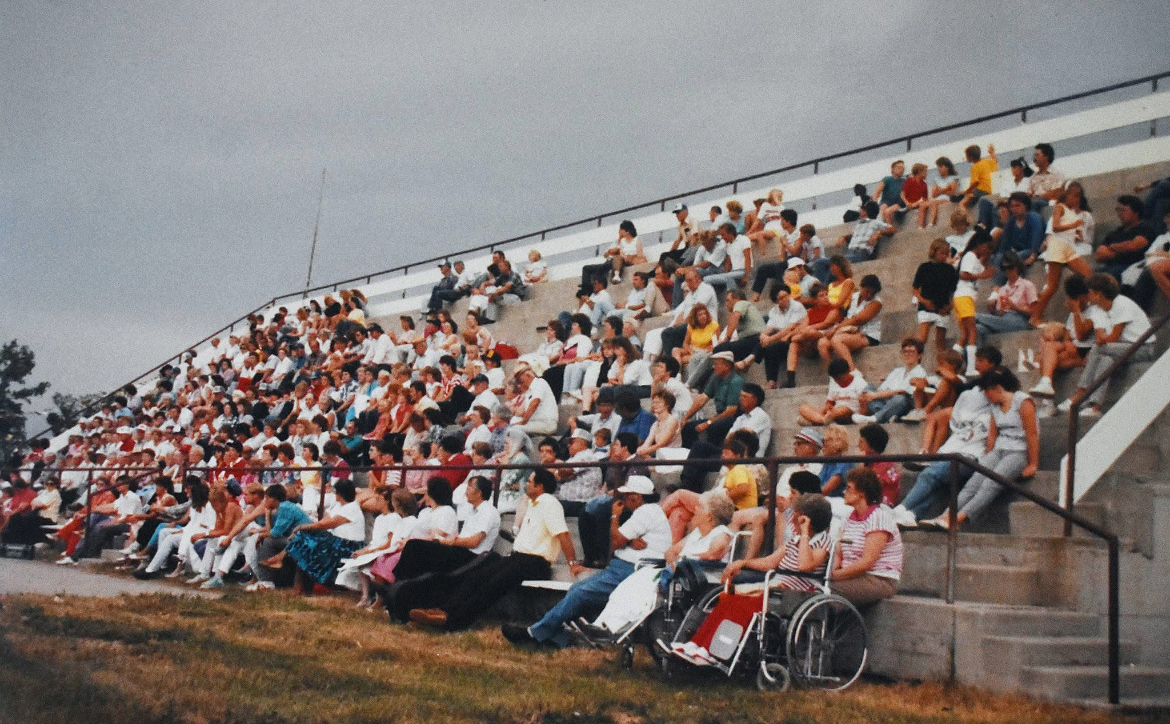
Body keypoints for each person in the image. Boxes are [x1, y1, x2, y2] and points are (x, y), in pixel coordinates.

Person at [395, 468, 578, 630]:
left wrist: (572, 562)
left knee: (493, 584)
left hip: (535, 562)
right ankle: (442, 611)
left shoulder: (549, 502)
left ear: (540, 487)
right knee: (476, 576)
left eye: (530, 481)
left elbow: (563, 534)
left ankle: (454, 621)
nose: (526, 484)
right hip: (519, 557)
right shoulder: (533, 503)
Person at [501, 475, 671, 649]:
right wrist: (628, 540)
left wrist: (615, 517)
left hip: (630, 571)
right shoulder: (648, 512)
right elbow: (618, 543)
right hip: (624, 567)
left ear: (637, 496)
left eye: (627, 495)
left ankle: (535, 633)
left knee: (579, 593)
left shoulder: (646, 512)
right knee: (577, 589)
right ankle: (558, 638)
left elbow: (616, 542)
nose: (624, 499)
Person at [921, 368, 1039, 530]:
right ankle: (946, 515)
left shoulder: (1023, 401)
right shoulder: (995, 407)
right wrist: (987, 459)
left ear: (998, 388)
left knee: (990, 484)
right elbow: (992, 435)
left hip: (1018, 451)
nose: (985, 395)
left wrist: (1032, 464)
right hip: (1000, 449)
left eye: (987, 391)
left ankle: (957, 519)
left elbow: (1032, 434)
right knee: (974, 483)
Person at [892, 382, 992, 528]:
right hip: (953, 453)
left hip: (971, 457)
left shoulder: (997, 414)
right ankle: (912, 514)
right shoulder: (960, 411)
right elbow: (935, 417)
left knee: (930, 474)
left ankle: (902, 508)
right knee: (940, 483)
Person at [1056, 273, 1154, 417]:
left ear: (1099, 294)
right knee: (1105, 359)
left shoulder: (1122, 303)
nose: (1087, 295)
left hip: (1142, 347)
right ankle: (1094, 406)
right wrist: (1101, 340)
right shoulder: (1099, 310)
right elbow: (1100, 337)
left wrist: (1101, 341)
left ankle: (1081, 392)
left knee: (1098, 349)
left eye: (1090, 292)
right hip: (1121, 348)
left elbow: (1112, 337)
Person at [830, 468, 903, 606]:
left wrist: (833, 576)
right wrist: (831, 571)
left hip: (879, 578)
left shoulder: (879, 518)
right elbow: (839, 553)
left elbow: (866, 562)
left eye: (849, 488)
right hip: (851, 575)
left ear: (862, 493)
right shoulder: (848, 518)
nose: (844, 492)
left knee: (827, 589)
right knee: (812, 586)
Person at [278, 478, 366, 592]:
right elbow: (326, 519)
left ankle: (297, 584)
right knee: (302, 539)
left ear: (339, 494)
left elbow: (326, 524)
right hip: (336, 541)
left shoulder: (351, 508)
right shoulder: (339, 505)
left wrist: (301, 527)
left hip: (346, 547)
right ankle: (299, 585)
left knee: (303, 540)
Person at [662, 438, 758, 541]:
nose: (723, 456)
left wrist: (722, 497)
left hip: (730, 509)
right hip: (721, 506)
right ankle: (671, 549)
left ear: (738, 456)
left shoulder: (739, 469)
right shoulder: (730, 472)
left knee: (680, 494)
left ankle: (654, 518)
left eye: (726, 453)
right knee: (679, 513)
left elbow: (743, 488)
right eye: (723, 453)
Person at [1027, 275, 1105, 401]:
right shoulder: (1072, 314)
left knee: (1045, 358)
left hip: (1084, 352)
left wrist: (1075, 311)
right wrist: (1066, 343)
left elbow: (1081, 335)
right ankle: (1046, 385)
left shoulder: (1095, 311)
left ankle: (1048, 402)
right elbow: (1069, 337)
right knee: (1047, 350)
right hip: (1072, 349)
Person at [1032, 182, 1094, 324]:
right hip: (1057, 247)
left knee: (1089, 275)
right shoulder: (1059, 207)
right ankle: (1035, 317)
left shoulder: (1072, 211)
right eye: (1075, 196)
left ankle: (1087, 304)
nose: (1078, 199)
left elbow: (1071, 231)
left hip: (1069, 247)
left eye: (1079, 196)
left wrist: (1076, 232)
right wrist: (1073, 226)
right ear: (1067, 195)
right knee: (1052, 286)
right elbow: (1055, 227)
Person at [736, 286, 807, 389]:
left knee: (770, 345)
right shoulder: (774, 311)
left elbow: (790, 328)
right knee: (767, 345)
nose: (785, 299)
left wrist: (770, 339)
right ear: (776, 301)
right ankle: (771, 381)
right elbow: (770, 327)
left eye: (786, 296)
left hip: (794, 338)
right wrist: (763, 335)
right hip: (781, 339)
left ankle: (750, 359)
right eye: (781, 298)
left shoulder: (796, 306)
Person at [816, 274, 883, 370]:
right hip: (850, 331)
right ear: (862, 287)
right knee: (822, 343)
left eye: (871, 293)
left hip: (868, 335)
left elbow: (858, 320)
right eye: (867, 291)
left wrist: (836, 328)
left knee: (837, 340)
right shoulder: (854, 297)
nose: (869, 295)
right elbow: (845, 314)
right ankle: (834, 375)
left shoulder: (877, 302)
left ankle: (853, 373)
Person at [854, 339, 929, 424]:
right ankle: (884, 416)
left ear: (919, 356)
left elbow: (901, 392)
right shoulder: (897, 371)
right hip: (888, 403)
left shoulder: (920, 372)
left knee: (899, 399)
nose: (908, 354)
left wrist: (875, 395)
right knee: (869, 387)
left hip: (905, 405)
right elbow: (882, 389)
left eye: (912, 351)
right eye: (905, 351)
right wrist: (872, 395)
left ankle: (876, 418)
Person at [953, 230, 996, 372]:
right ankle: (971, 367)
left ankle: (951, 362)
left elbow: (985, 266)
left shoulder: (974, 258)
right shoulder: (970, 256)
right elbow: (964, 275)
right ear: (979, 244)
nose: (988, 251)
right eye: (987, 247)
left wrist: (987, 255)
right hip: (964, 296)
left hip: (964, 297)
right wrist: (982, 275)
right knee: (973, 332)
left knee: (965, 334)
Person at [976, 252, 1038, 342]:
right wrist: (992, 308)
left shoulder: (1027, 285)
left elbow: (1035, 311)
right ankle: (974, 355)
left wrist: (1015, 307)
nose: (1007, 271)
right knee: (977, 328)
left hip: (1019, 320)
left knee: (974, 317)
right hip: (1003, 319)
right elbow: (999, 313)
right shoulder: (1002, 290)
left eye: (1010, 268)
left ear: (1016, 267)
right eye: (1004, 268)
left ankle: (976, 317)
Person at [913, 239, 959, 353]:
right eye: (942, 253)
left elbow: (955, 291)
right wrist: (923, 301)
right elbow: (915, 288)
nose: (944, 256)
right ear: (934, 252)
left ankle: (941, 366)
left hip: (943, 308)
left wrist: (950, 306)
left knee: (940, 342)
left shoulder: (950, 269)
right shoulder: (924, 267)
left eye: (946, 254)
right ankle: (916, 362)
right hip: (926, 307)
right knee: (922, 339)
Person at [1095, 195, 1156, 282]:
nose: (1119, 213)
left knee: (1106, 278)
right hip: (1110, 267)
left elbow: (1134, 245)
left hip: (1132, 267)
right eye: (1118, 210)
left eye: (1123, 210)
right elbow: (1099, 255)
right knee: (1086, 276)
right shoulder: (1115, 233)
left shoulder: (1145, 228)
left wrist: (1112, 247)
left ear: (1136, 212)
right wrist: (1122, 250)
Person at [798, 358, 869, 425]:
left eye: (839, 378)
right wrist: (827, 407)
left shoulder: (859, 383)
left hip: (850, 413)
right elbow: (830, 402)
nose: (837, 381)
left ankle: (815, 420)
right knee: (803, 408)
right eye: (835, 378)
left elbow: (865, 407)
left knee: (842, 410)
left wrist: (860, 418)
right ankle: (822, 420)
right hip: (833, 412)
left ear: (848, 372)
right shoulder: (834, 383)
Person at [958, 143, 997, 210]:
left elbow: (975, 182)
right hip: (990, 189)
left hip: (981, 191)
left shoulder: (975, 167)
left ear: (971, 157)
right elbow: (995, 160)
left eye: (966, 156)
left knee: (962, 204)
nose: (966, 157)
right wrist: (992, 152)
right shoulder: (986, 162)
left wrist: (966, 191)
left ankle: (966, 219)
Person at [872, 159, 907, 225]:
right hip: (886, 202)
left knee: (888, 210)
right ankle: (880, 225)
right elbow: (877, 193)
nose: (901, 170)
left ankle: (889, 228)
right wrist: (874, 205)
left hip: (899, 204)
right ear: (893, 169)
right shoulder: (887, 179)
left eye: (903, 168)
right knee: (883, 207)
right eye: (899, 167)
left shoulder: (904, 181)